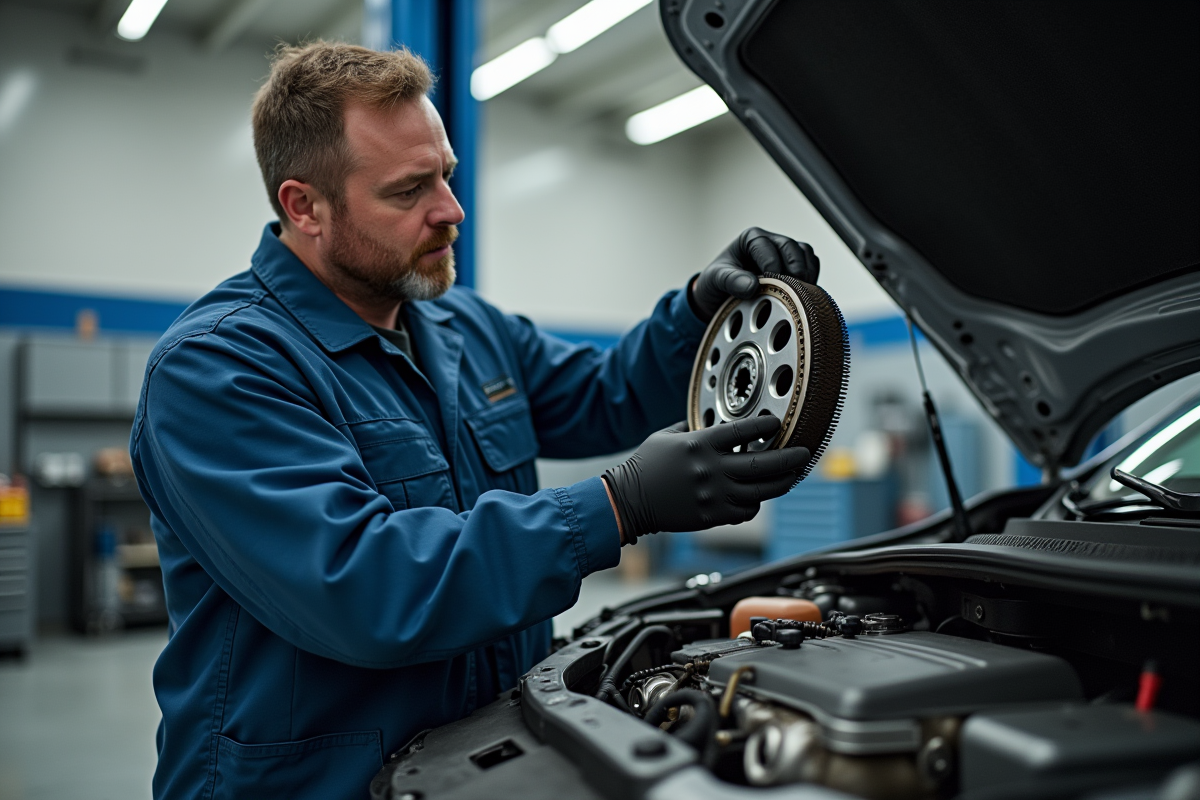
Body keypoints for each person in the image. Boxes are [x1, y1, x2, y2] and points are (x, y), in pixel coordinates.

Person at [130, 42, 821, 800]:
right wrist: (618, 505)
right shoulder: (219, 367)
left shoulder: (464, 326)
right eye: (408, 190)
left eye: (446, 176)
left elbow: (604, 396)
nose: (450, 211)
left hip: (481, 762)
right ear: (305, 207)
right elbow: (364, 586)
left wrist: (692, 314)